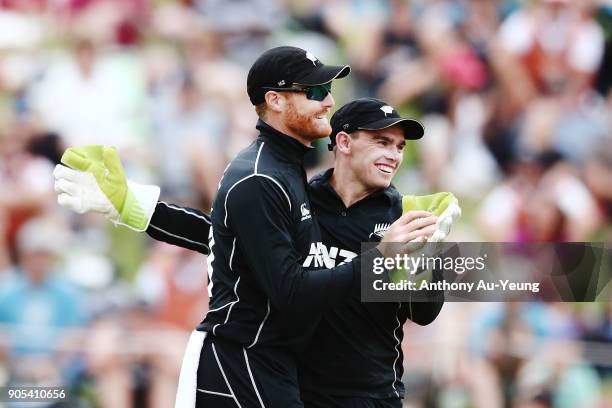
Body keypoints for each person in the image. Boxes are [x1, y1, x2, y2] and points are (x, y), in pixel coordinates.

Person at [53, 47, 441, 407]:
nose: (393, 154)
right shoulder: (300, 191)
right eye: (381, 141)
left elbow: (427, 313)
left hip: (371, 394)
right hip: (285, 380)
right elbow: (238, 244)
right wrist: (134, 208)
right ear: (343, 142)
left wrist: (432, 260)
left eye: (399, 147)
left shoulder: (402, 216)